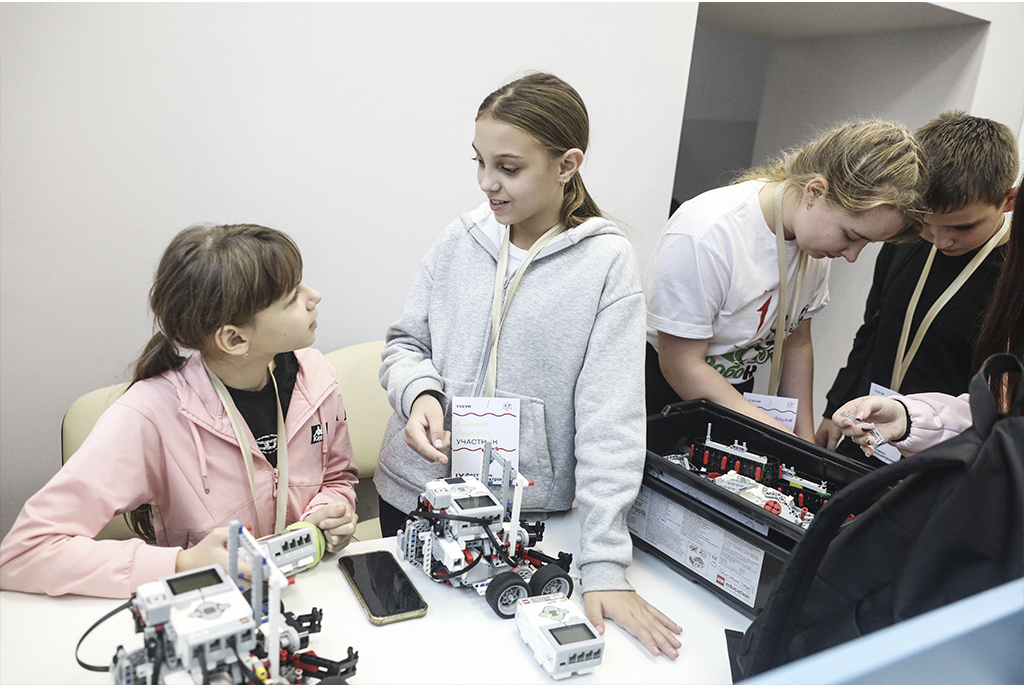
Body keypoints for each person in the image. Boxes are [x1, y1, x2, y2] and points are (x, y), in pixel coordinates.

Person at [374, 73, 682, 658]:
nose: (486, 183)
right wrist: (419, 396)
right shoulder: (459, 240)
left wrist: (604, 565)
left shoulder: (605, 263)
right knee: (418, 657)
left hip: (525, 515)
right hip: (418, 496)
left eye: (508, 167)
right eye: (479, 161)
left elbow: (611, 420)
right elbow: (404, 344)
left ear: (567, 165)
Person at [0, 224, 359, 598]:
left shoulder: (316, 377)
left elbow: (337, 478)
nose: (314, 296)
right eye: (291, 298)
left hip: (307, 593)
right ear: (234, 338)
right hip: (212, 606)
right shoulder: (149, 415)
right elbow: (24, 553)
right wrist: (183, 565)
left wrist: (326, 517)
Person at [645, 121, 929, 442]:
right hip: (663, 398)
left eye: (866, 243)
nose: (851, 256)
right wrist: (781, 438)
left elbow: (796, 342)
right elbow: (681, 365)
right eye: (850, 236)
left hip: (732, 397)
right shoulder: (707, 233)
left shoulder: (813, 241)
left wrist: (804, 443)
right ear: (815, 192)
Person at [816, 112, 1019, 464]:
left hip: (946, 453)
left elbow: (1000, 392)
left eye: (963, 227)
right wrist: (836, 404)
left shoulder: (1012, 278)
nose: (941, 240)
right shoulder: (906, 242)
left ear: (1009, 200)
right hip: (868, 430)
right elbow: (872, 330)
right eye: (925, 223)